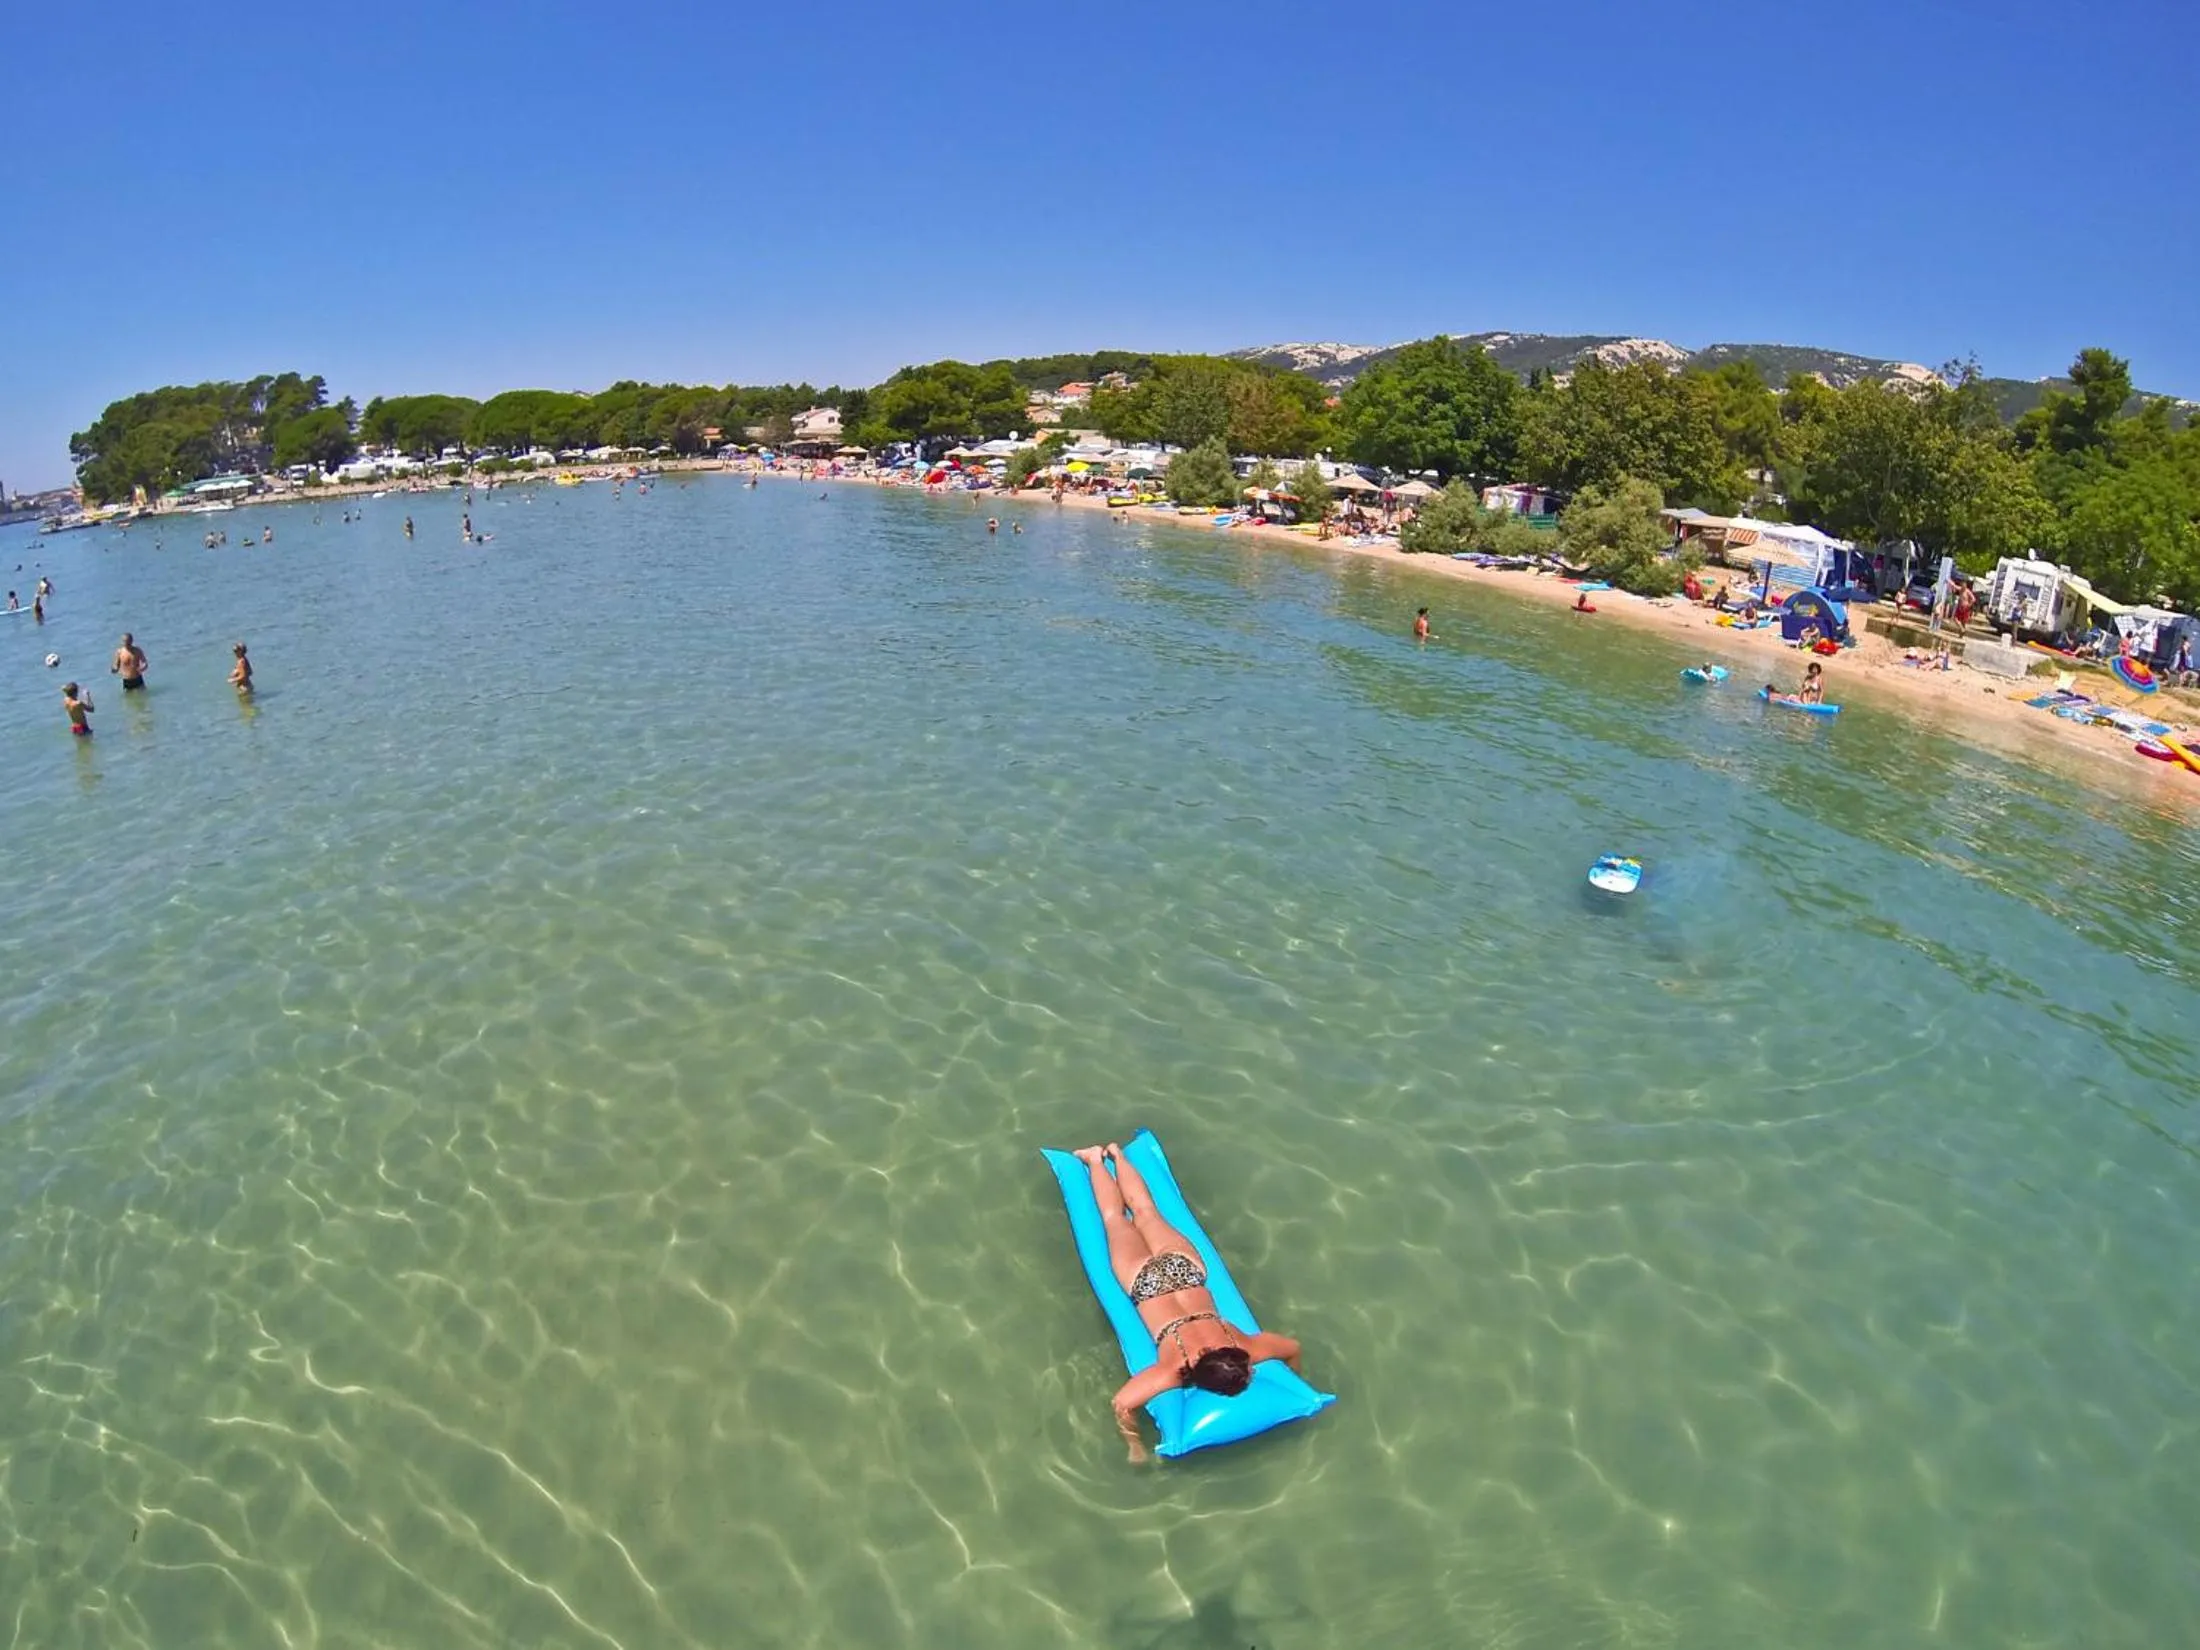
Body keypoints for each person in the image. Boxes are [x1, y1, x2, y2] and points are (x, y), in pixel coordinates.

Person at [1073, 1144, 1303, 1463]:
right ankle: (1097, 1159)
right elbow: (1122, 1404)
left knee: (1144, 1212)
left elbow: (1292, 1348)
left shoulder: (1246, 1345)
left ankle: (1113, 1154)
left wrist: (1133, 1443)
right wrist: (1134, 1448)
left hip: (1187, 1271)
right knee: (1116, 1219)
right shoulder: (1172, 1371)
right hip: (1147, 1285)